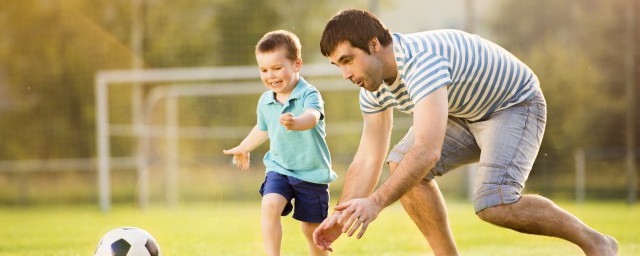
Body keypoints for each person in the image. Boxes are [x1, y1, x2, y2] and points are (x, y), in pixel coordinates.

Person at [312, 9, 618, 255]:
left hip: (513, 104)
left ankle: (596, 242)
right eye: (338, 65)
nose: (345, 74)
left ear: (374, 45)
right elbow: (368, 158)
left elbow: (427, 150)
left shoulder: (421, 63)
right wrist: (341, 216)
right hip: (464, 113)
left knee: (494, 203)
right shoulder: (372, 88)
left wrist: (376, 202)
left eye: (348, 60)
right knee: (400, 162)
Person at [223, 30, 337, 256]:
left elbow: (313, 116)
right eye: (264, 70)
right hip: (279, 168)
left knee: (311, 229)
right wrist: (244, 147)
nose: (270, 76)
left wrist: (297, 122)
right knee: (270, 205)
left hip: (311, 173)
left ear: (296, 65)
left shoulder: (309, 94)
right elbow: (262, 128)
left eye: (277, 68)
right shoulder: (265, 101)